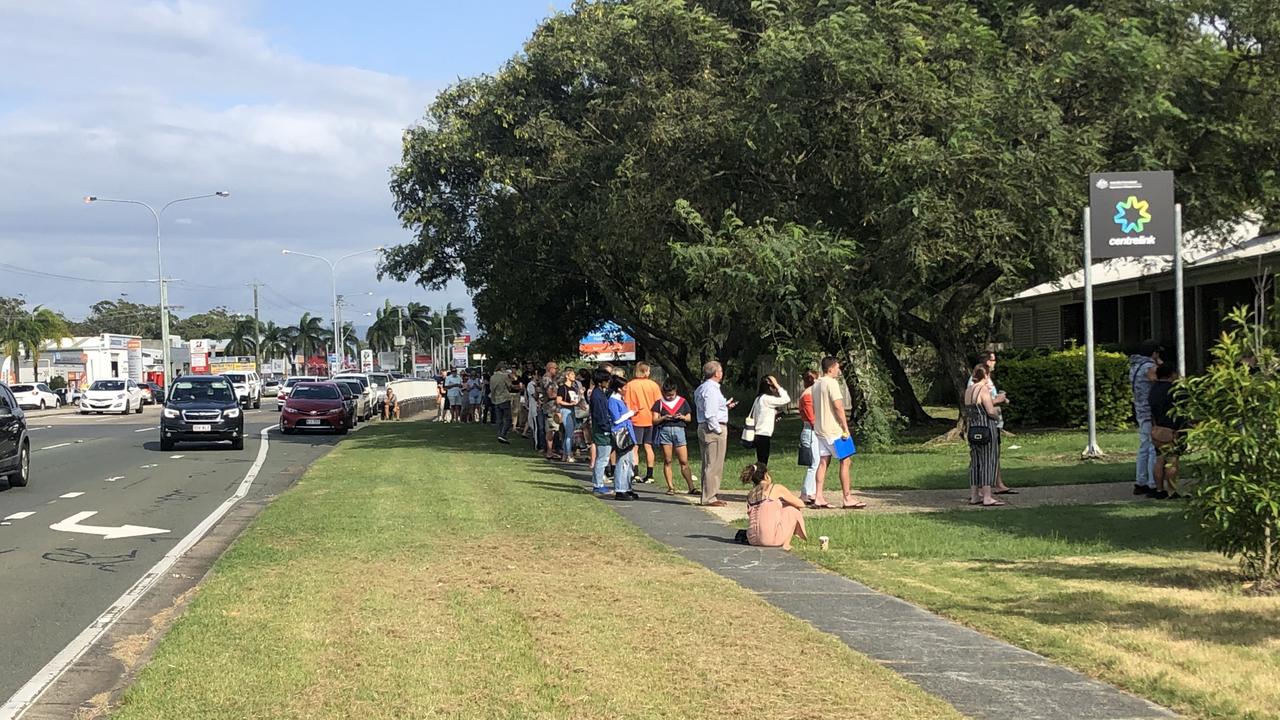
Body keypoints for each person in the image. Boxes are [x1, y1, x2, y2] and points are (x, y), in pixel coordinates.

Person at [970, 351, 1015, 494]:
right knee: (987, 458)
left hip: (976, 425)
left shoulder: (975, 388)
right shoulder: (979, 387)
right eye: (993, 360)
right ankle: (986, 492)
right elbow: (986, 406)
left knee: (981, 459)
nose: (995, 362)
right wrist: (999, 403)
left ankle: (979, 491)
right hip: (985, 424)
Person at [694, 360, 736, 507]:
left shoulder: (701, 388)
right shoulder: (711, 389)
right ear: (717, 373)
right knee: (714, 463)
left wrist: (724, 406)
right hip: (713, 428)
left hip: (705, 426)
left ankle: (710, 493)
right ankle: (709, 496)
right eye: (721, 371)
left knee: (709, 462)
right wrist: (717, 429)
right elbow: (710, 413)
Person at [741, 463, 808, 551]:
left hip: (752, 539)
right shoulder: (775, 488)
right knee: (793, 509)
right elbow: (800, 504)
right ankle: (786, 544)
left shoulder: (751, 494)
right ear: (766, 475)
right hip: (769, 540)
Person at [964, 366, 1004, 507]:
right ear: (985, 375)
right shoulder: (983, 389)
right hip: (986, 428)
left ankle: (974, 495)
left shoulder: (968, 391)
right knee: (988, 460)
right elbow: (990, 410)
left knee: (975, 462)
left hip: (973, 429)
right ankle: (987, 496)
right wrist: (997, 412)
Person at [651, 379, 697, 496]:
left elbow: (689, 418)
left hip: (679, 430)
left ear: (676, 391)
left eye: (672, 394)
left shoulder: (682, 402)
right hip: (665, 431)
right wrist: (663, 418)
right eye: (667, 395)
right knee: (668, 460)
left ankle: (691, 487)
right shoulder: (659, 403)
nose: (670, 397)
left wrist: (681, 417)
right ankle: (671, 487)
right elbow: (654, 420)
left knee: (684, 461)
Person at [1128, 342, 1163, 497]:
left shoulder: (1135, 366)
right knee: (1152, 447)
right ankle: (1152, 483)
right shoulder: (1149, 366)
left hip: (1140, 409)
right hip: (1150, 411)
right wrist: (1159, 365)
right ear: (1153, 353)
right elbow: (1157, 380)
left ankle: (1140, 481)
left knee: (1143, 446)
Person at [622, 362, 663, 483]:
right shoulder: (653, 385)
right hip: (650, 419)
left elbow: (626, 403)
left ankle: (635, 473)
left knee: (635, 447)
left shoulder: (630, 385)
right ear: (645, 371)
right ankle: (650, 474)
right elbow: (659, 402)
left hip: (636, 419)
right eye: (648, 371)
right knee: (648, 446)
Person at [1148, 363, 1185, 499]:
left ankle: (1159, 489)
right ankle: (1172, 490)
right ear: (1171, 374)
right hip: (1171, 430)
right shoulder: (1174, 390)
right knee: (1172, 461)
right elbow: (1182, 411)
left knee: (1159, 460)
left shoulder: (1153, 389)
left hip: (1157, 429)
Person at [607, 375, 639, 500]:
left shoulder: (620, 399)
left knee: (629, 461)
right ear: (619, 389)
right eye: (624, 387)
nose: (626, 389)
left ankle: (627, 487)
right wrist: (630, 413)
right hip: (621, 432)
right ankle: (620, 489)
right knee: (623, 462)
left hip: (628, 431)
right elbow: (616, 419)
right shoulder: (613, 400)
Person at [747, 375, 791, 466]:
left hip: (758, 433)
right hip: (763, 434)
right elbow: (786, 399)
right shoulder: (767, 399)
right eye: (773, 387)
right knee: (763, 462)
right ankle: (759, 477)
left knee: (761, 460)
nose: (775, 389)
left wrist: (773, 416)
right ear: (769, 387)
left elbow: (758, 415)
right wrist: (778, 385)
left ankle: (759, 476)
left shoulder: (759, 398)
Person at [797, 370, 821, 504]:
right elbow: (811, 417)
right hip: (810, 431)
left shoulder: (811, 394)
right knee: (814, 463)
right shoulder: (807, 396)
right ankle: (806, 492)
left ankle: (811, 491)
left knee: (816, 462)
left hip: (813, 430)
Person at [588, 368, 614, 495]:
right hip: (601, 430)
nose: (608, 382)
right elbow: (600, 415)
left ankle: (597, 481)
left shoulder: (599, 393)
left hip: (601, 428)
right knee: (602, 458)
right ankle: (598, 484)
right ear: (601, 381)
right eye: (607, 380)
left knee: (601, 457)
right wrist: (607, 428)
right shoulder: (597, 396)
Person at [555, 369, 580, 463]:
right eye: (572, 374)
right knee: (569, 433)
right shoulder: (562, 388)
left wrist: (580, 405)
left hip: (572, 410)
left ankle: (565, 454)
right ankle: (569, 454)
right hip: (565, 410)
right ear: (567, 376)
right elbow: (558, 400)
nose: (574, 376)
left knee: (569, 433)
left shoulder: (574, 389)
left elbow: (576, 400)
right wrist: (569, 404)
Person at [537, 361, 561, 459]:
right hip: (550, 407)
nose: (557, 370)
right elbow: (550, 394)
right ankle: (549, 451)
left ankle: (553, 450)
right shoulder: (547, 379)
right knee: (551, 429)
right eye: (556, 368)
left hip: (554, 407)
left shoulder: (552, 379)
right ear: (550, 368)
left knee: (555, 429)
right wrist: (561, 395)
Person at [490, 363, 513, 444]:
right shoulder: (504, 376)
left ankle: (499, 434)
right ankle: (503, 434)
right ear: (502, 369)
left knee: (499, 419)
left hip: (496, 399)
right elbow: (509, 385)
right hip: (504, 398)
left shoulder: (492, 377)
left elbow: (491, 389)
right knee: (508, 419)